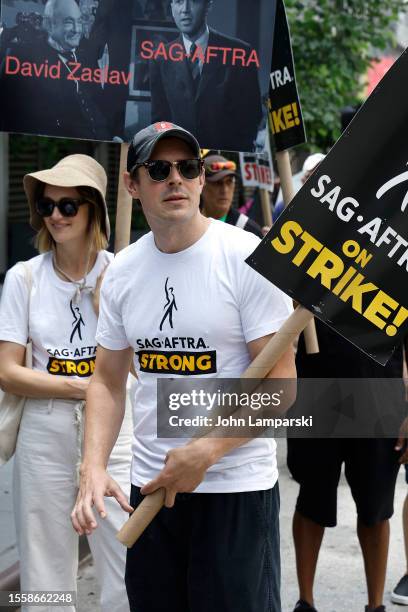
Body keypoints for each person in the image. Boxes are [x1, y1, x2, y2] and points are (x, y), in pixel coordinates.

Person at [71, 121, 296, 612]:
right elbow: (107, 382)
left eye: (187, 167)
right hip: (151, 491)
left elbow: (281, 388)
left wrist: (208, 451)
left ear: (199, 179)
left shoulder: (249, 259)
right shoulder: (122, 272)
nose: (175, 178)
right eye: (159, 169)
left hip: (234, 490)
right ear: (132, 184)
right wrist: (92, 465)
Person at [0, 154, 132, 612]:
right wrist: (81, 387)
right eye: (46, 205)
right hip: (44, 433)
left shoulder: (122, 273)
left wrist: (106, 304)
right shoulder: (24, 278)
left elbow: (136, 372)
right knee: (45, 569)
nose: (55, 215)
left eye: (68, 205)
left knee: (125, 559)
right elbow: (8, 371)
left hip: (115, 434)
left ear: (93, 209)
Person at [287, 318, 407, 612]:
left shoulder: (396, 271)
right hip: (315, 388)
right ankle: (306, 602)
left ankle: (375, 605)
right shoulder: (306, 271)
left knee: (376, 507)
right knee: (311, 500)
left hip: (380, 391)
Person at [149, 0, 263, 151]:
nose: (185, 10)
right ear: (171, 6)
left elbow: (251, 117)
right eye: (178, 1)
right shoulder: (161, 58)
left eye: (194, 2)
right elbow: (159, 121)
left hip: (224, 161)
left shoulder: (241, 53)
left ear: (208, 5)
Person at [0, 0, 107, 139]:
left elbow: (97, 106)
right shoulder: (21, 58)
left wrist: (111, 136)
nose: (77, 29)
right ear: (49, 25)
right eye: (69, 22)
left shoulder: (87, 59)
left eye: (79, 21)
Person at [201, 154, 264, 237]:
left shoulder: (248, 231)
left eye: (229, 182)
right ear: (201, 185)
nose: (225, 190)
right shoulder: (185, 226)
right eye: (217, 183)